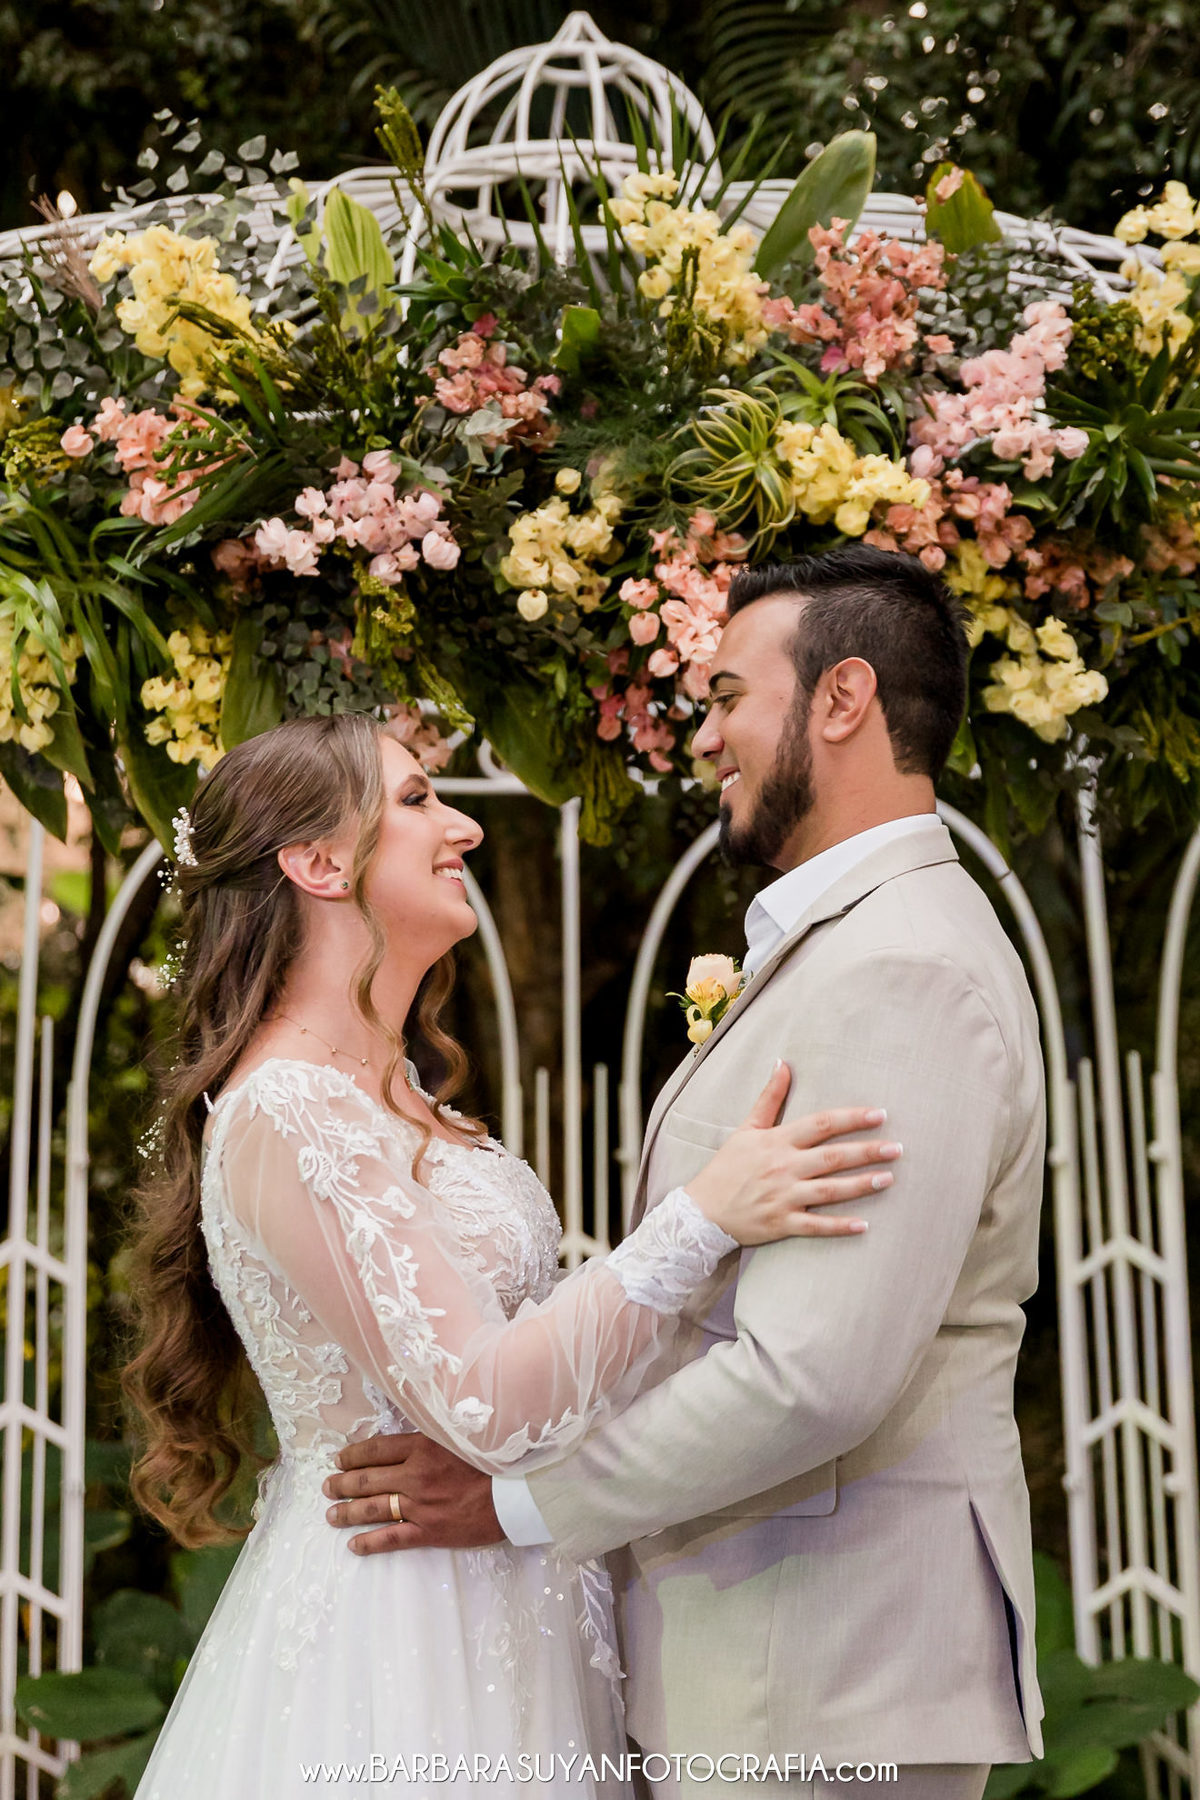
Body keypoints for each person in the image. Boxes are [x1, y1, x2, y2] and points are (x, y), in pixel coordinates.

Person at [325, 546, 1048, 1800]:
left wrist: (512, 1501)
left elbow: (809, 1375)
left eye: (725, 697)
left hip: (825, 1675)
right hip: (771, 1667)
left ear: (843, 698)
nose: (703, 736)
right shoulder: (849, 945)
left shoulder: (902, 968)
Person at [122, 710, 902, 1800]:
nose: (467, 829)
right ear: (317, 864)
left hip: (522, 1596)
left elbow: (547, 1356)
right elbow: (484, 1403)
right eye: (417, 799)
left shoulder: (399, 1096)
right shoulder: (287, 1110)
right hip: (402, 1636)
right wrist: (702, 1218)